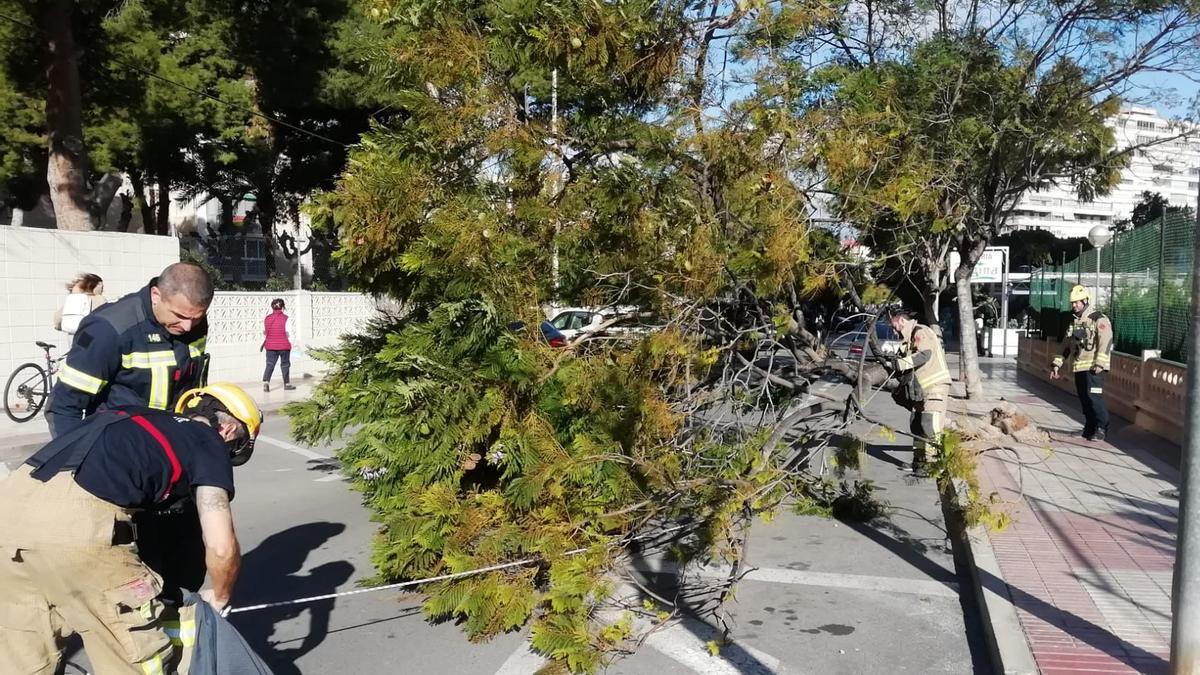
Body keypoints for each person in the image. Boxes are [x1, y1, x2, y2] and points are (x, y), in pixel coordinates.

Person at [0, 383, 261, 675]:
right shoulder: (207, 439)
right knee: (134, 657)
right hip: (80, 525)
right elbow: (221, 546)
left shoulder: (128, 416)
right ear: (227, 432)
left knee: (24, 660)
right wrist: (221, 596)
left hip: (9, 511)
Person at [45, 261, 215, 599]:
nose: (188, 325)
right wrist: (83, 476)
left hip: (173, 467)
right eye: (180, 315)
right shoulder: (110, 329)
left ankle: (180, 634)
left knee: (188, 569)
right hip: (124, 473)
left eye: (197, 317)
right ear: (156, 295)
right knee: (139, 582)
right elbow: (63, 407)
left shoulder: (194, 322)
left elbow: (190, 387)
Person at [888, 308, 953, 478]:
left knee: (929, 424)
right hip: (920, 390)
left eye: (893, 323)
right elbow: (900, 367)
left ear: (901, 320)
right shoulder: (906, 342)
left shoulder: (921, 331)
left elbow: (924, 355)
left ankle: (935, 464)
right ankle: (919, 463)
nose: (892, 328)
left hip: (935, 385)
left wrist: (900, 364)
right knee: (916, 424)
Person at [1051, 284, 1113, 441]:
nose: (1074, 305)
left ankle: (1101, 428)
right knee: (1084, 399)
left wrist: (1100, 363)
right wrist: (1056, 364)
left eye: (1077, 302)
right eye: (1072, 303)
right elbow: (1066, 345)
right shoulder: (1075, 323)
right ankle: (1089, 428)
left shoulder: (1098, 319)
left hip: (1094, 368)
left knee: (1094, 398)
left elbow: (1105, 340)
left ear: (1085, 300)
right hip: (1079, 367)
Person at [262, 297, 295, 392]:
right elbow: (289, 333)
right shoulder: (286, 319)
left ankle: (266, 383)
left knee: (270, 364)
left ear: (272, 307)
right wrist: (293, 344)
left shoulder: (267, 318)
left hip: (270, 345)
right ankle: (287, 384)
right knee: (285, 364)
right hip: (284, 345)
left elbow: (264, 332)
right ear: (283, 307)